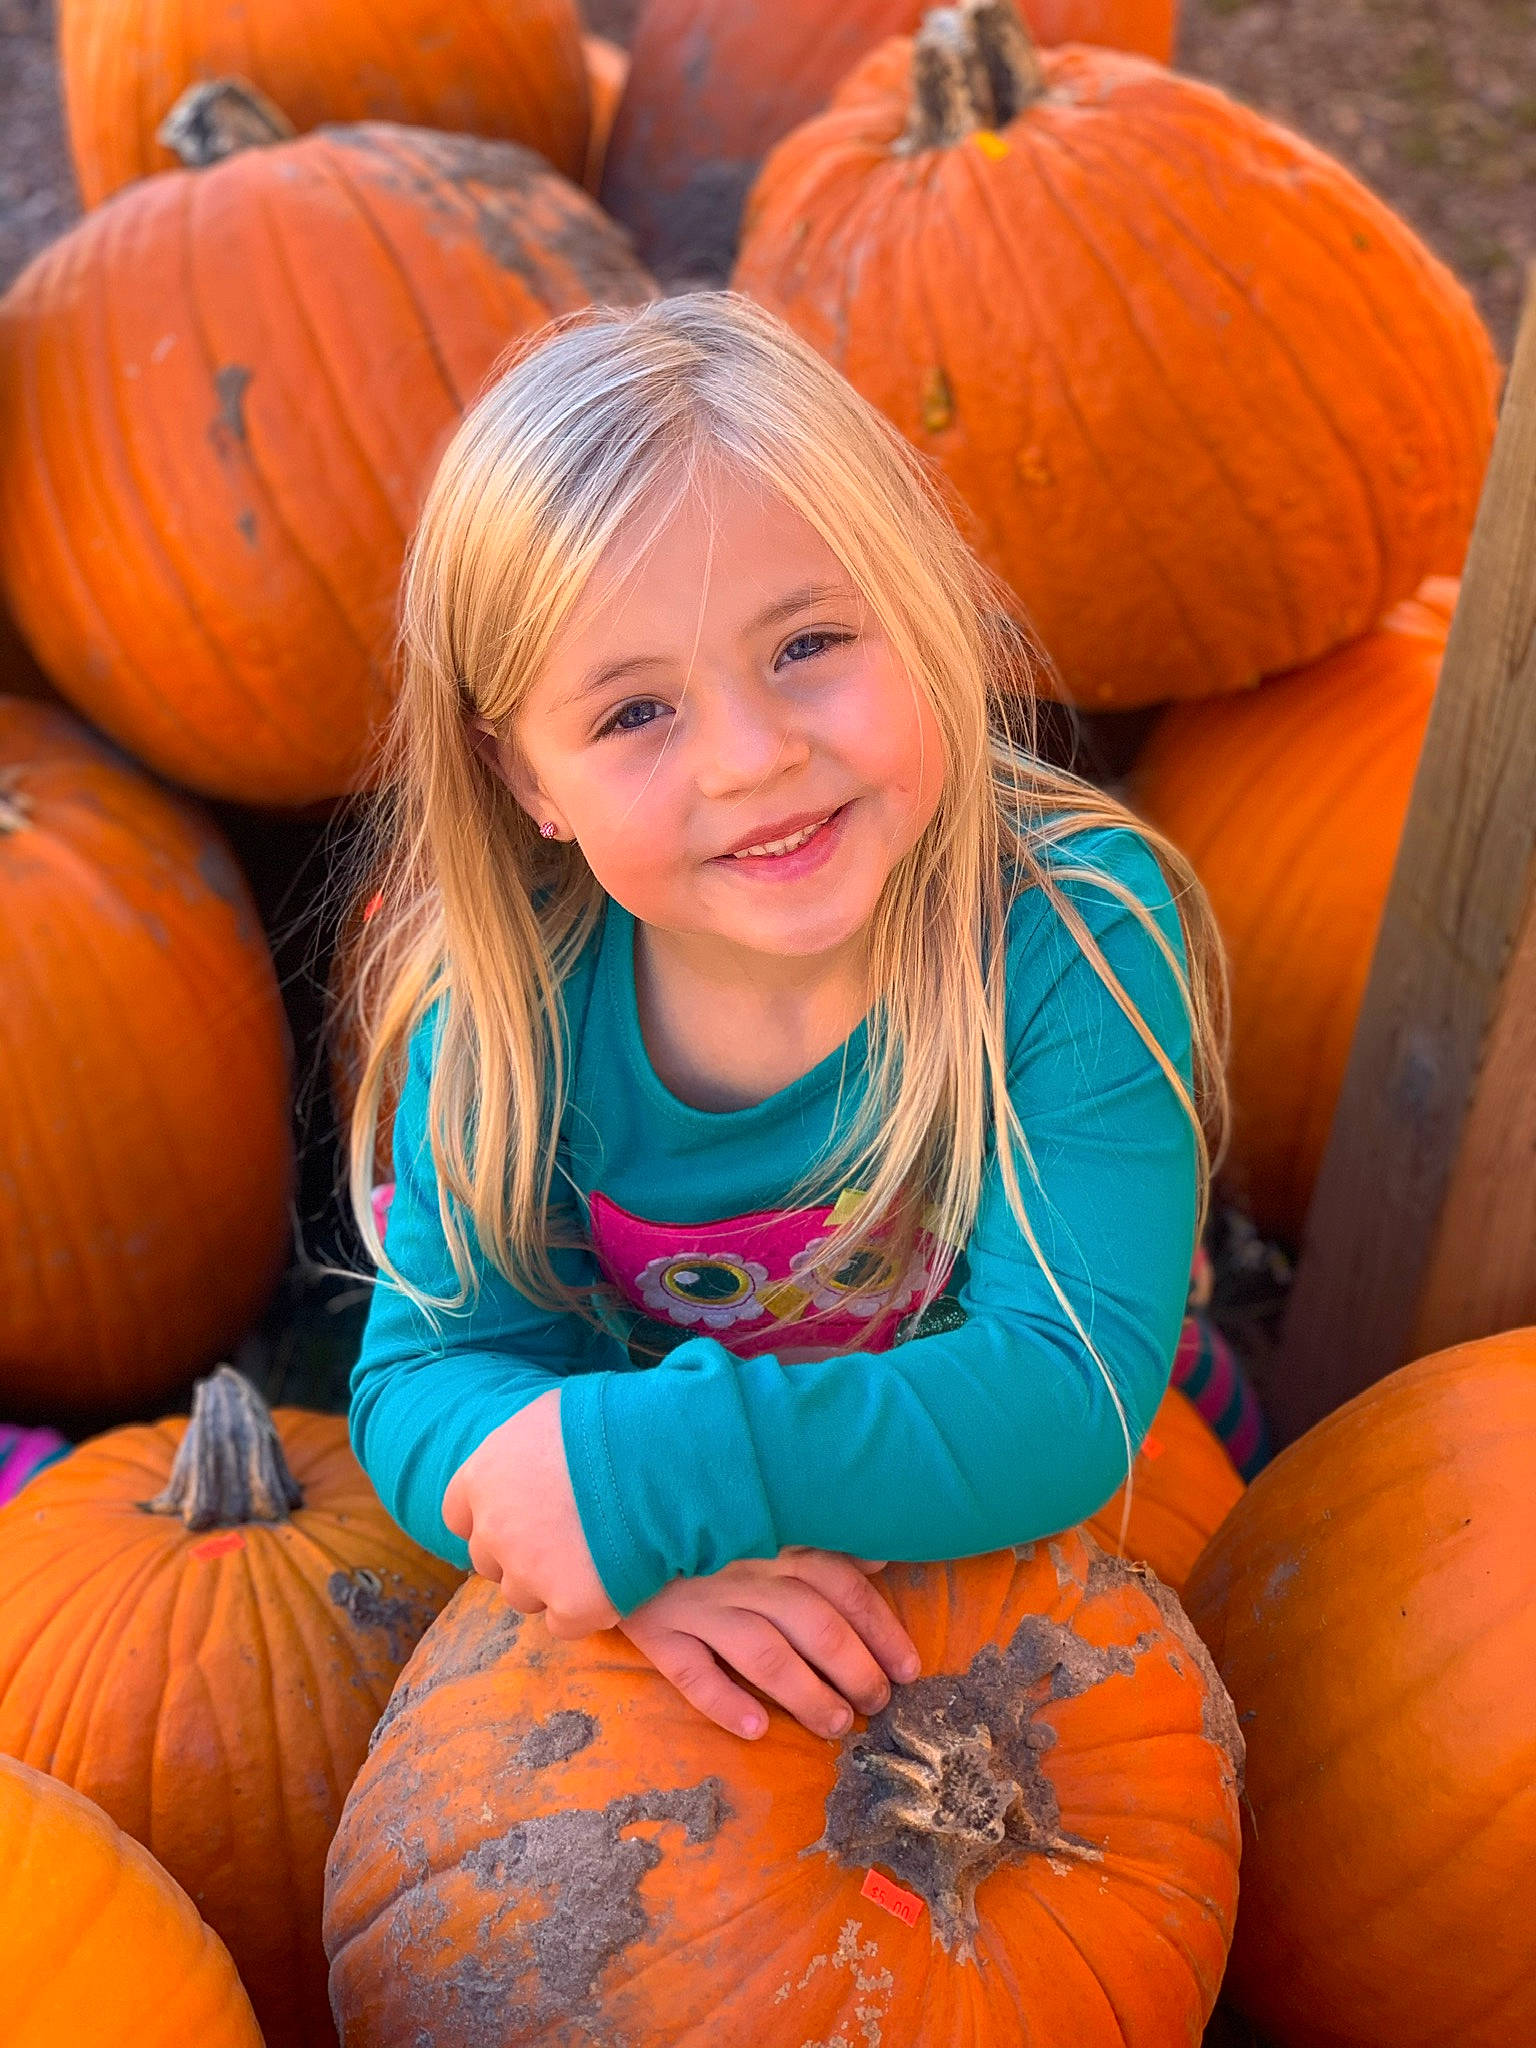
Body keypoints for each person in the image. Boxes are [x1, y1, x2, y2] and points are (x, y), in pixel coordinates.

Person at [339, 290, 1229, 1750]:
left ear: (921, 603)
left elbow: (1067, 1392)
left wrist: (655, 1485)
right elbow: (421, 1379)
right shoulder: (508, 1018)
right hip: (722, 1550)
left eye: (808, 641)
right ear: (528, 780)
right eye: (634, 714)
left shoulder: (1064, 933)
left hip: (1048, 1490)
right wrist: (629, 1547)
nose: (753, 758)